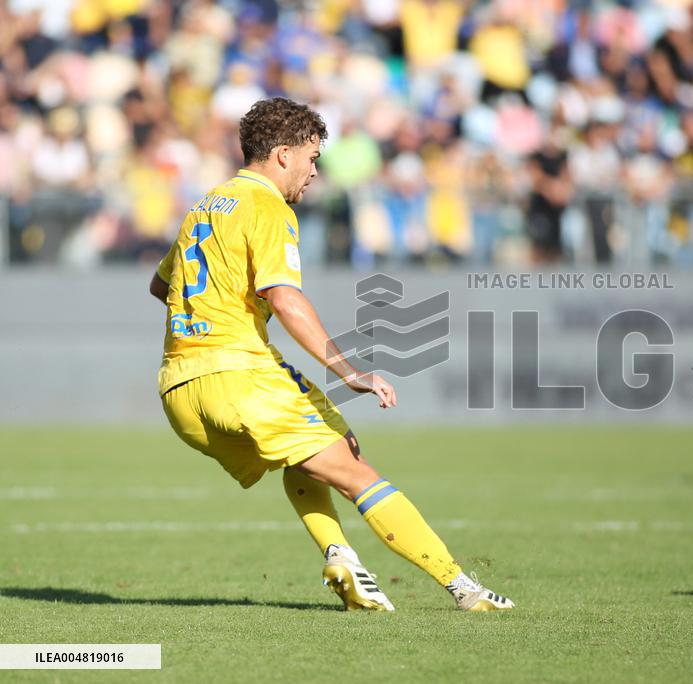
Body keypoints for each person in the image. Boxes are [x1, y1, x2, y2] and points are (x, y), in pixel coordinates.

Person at [148, 97, 512, 612]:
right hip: (242, 375)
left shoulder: (205, 204)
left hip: (180, 389)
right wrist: (350, 370)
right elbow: (285, 296)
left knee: (317, 451)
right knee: (356, 467)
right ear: (281, 154)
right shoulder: (268, 206)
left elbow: (161, 285)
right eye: (312, 158)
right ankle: (464, 589)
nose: (314, 172)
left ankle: (342, 556)